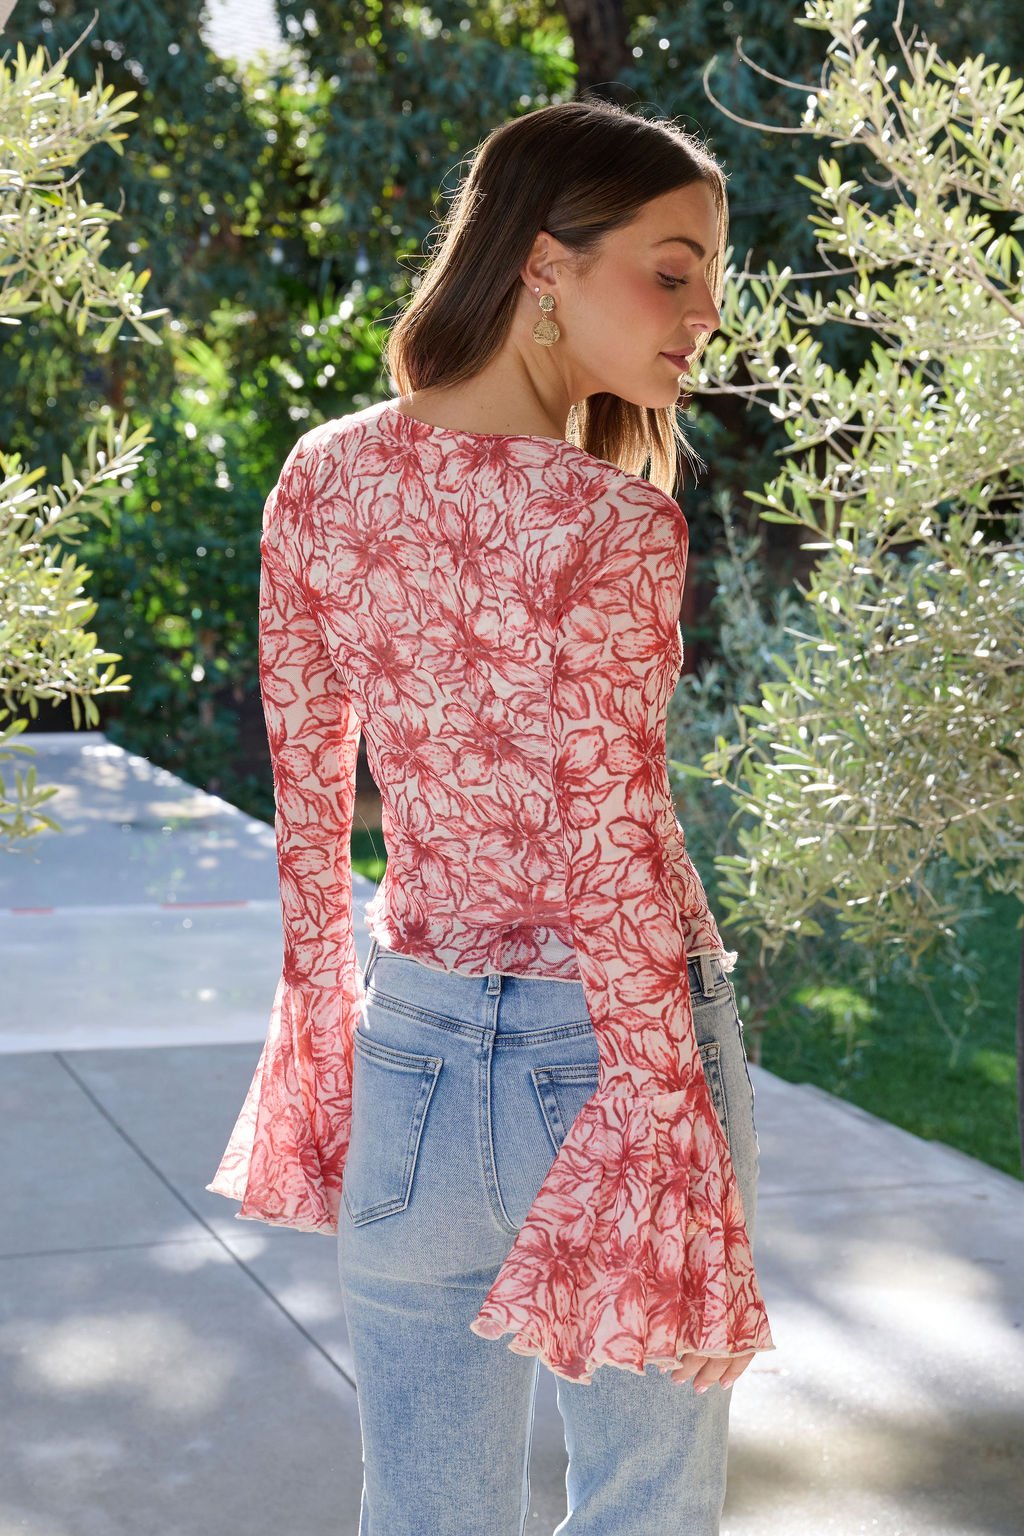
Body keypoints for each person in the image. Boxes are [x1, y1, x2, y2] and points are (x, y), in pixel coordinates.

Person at [207, 96, 775, 1536]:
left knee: (423, 1511)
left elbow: (306, 809)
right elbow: (609, 841)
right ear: (542, 264)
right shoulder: (615, 522)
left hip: (412, 1049)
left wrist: (326, 1058)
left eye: (711, 272)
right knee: (644, 1505)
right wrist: (663, 1136)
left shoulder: (320, 479)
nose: (708, 310)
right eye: (670, 266)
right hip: (614, 1052)